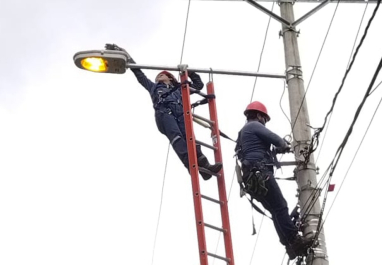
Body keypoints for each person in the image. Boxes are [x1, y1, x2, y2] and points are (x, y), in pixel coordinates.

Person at [105, 44, 222, 180]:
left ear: (170, 79)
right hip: (164, 114)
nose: (158, 77)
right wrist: (126, 55)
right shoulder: (154, 88)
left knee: (190, 138)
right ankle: (191, 165)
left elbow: (198, 85)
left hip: (180, 115)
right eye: (157, 76)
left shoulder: (180, 89)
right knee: (178, 138)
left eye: (162, 75)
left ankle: (205, 167)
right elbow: (139, 73)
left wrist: (189, 73)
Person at [234, 101, 310, 259]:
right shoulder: (254, 126)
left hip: (251, 179)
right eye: (265, 119)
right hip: (260, 174)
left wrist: (276, 150)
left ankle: (290, 245)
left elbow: (259, 149)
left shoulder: (243, 133)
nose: (264, 123)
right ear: (259, 116)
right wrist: (284, 145)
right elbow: (275, 139)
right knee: (280, 206)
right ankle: (294, 240)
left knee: (276, 210)